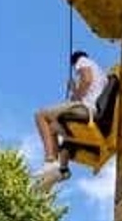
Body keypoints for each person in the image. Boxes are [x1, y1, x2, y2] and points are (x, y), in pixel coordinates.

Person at [33, 50, 105, 192]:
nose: (76, 70)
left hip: (86, 110)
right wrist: (75, 90)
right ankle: (62, 170)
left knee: (40, 115)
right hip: (91, 111)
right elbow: (89, 86)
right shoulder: (100, 73)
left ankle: (50, 161)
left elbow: (87, 80)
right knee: (52, 127)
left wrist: (75, 92)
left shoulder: (82, 61)